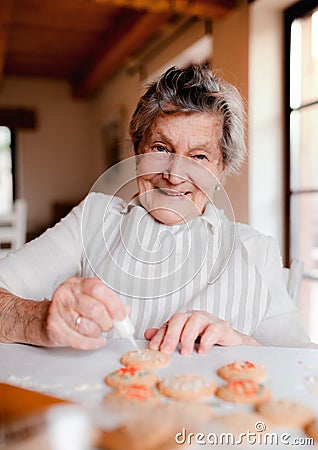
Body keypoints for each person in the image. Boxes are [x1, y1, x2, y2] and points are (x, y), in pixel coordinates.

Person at [0, 64, 313, 354]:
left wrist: (242, 343)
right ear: (138, 152)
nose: (174, 175)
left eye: (199, 157)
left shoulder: (255, 251)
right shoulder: (94, 219)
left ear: (221, 169)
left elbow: (302, 365)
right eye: (161, 148)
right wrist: (37, 319)